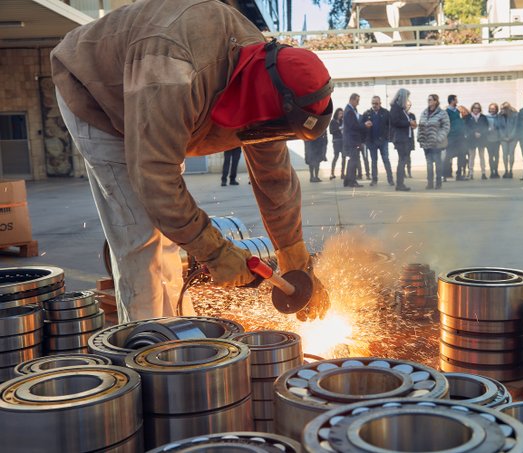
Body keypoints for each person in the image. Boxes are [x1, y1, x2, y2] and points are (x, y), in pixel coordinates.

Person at [52, 0, 332, 323]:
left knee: (171, 240)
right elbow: (155, 177)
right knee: (142, 240)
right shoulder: (174, 65)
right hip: (97, 94)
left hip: (154, 103)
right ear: (268, 100)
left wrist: (296, 260)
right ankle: (147, 348)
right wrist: (216, 251)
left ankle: (179, 334)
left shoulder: (265, 76)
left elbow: (275, 180)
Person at [417, 94, 450, 189]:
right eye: (428, 100)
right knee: (429, 163)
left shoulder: (442, 113)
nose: (429, 101)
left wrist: (439, 138)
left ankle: (438, 182)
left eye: (431, 100)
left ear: (436, 101)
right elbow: (420, 126)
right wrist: (419, 137)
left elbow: (446, 127)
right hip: (426, 142)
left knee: (437, 162)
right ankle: (430, 183)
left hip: (436, 143)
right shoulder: (424, 112)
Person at [362, 96, 394, 186]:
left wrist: (388, 137)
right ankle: (374, 180)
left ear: (380, 103)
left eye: (376, 103)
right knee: (373, 161)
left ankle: (390, 179)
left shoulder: (386, 113)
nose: (374, 105)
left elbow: (390, 126)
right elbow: (361, 125)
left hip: (383, 141)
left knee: (386, 160)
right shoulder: (367, 113)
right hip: (372, 141)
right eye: (373, 103)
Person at [389, 88, 414, 191]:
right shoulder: (396, 108)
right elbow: (395, 122)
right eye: (407, 97)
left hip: (403, 138)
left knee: (402, 160)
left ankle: (400, 183)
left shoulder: (400, 109)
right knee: (402, 161)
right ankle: (399, 184)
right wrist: (408, 123)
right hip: (400, 139)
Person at [343, 93, 364, 188]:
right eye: (357, 101)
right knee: (354, 161)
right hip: (352, 140)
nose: (358, 103)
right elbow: (353, 126)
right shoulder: (349, 111)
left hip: (352, 139)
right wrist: (364, 125)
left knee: (352, 160)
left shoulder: (351, 110)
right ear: (351, 100)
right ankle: (352, 181)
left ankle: (348, 181)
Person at [444, 95, 467, 181]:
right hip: (451, 137)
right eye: (456, 100)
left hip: (460, 136)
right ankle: (445, 174)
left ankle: (459, 174)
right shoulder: (446, 112)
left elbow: (466, 118)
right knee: (448, 155)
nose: (457, 101)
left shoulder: (459, 111)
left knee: (462, 155)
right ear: (452, 101)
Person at [499, 102, 518, 179]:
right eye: (501, 109)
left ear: (507, 109)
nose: (501, 110)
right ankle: (506, 170)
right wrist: (504, 136)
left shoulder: (515, 115)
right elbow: (499, 127)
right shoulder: (500, 115)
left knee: (511, 153)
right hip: (503, 138)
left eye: (503, 109)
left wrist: (511, 136)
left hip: (513, 138)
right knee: (505, 154)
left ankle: (511, 170)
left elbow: (515, 126)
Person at [329, 108, 345, 180]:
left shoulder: (342, 121)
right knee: (336, 156)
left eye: (342, 113)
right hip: (336, 141)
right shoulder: (333, 122)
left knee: (344, 157)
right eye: (340, 114)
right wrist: (339, 128)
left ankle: (342, 173)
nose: (341, 115)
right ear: (336, 114)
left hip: (343, 140)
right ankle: (332, 173)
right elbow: (331, 131)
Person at [486, 103, 501, 179]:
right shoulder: (486, 117)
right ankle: (492, 172)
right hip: (489, 139)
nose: (492, 110)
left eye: (493, 108)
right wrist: (487, 130)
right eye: (491, 108)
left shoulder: (499, 117)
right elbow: (483, 127)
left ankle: (496, 171)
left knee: (497, 156)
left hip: (497, 139)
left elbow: (501, 126)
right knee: (490, 156)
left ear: (496, 109)